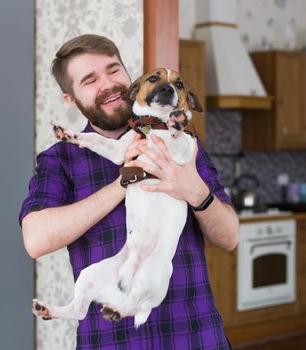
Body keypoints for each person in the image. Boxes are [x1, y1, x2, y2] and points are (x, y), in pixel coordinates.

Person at [19, 34, 239, 349]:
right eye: (90, 80)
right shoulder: (60, 159)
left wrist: (196, 192)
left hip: (195, 335)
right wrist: (125, 181)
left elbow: (229, 237)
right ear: (70, 98)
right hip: (111, 341)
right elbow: (36, 239)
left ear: (130, 78)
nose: (108, 84)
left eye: (113, 70)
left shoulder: (181, 144)